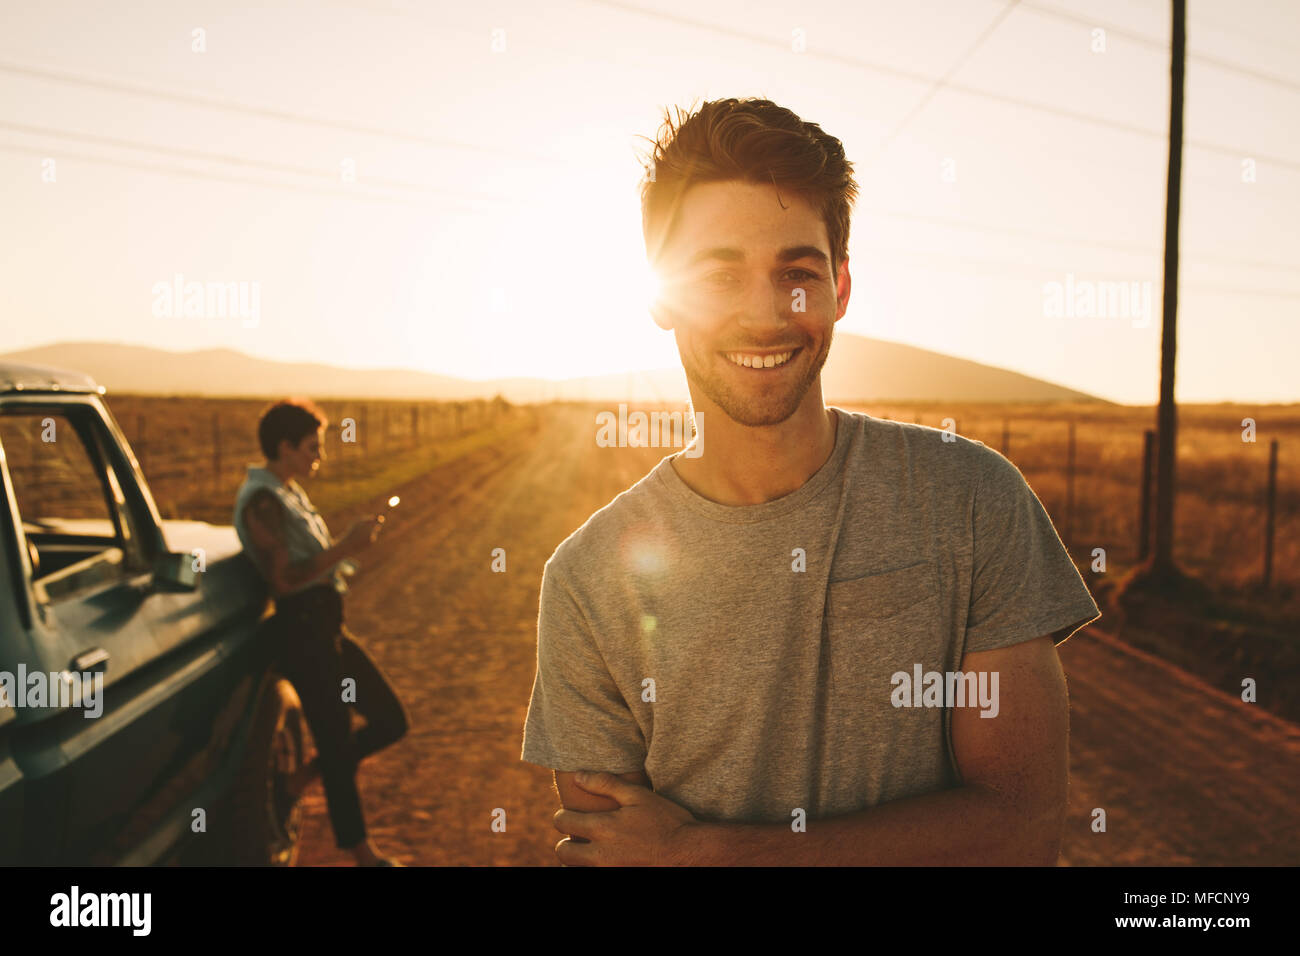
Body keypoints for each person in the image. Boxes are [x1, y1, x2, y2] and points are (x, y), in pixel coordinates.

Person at [520, 98, 1102, 865]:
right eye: (719, 274)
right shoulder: (585, 580)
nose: (764, 315)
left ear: (841, 288)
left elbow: (1018, 830)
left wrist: (707, 852)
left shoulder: (971, 500)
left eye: (796, 273)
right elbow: (616, 854)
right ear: (661, 295)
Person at [234, 398, 409, 867]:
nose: (320, 456)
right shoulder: (264, 501)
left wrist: (348, 547)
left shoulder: (287, 492)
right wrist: (347, 546)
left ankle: (296, 783)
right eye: (313, 447)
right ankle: (362, 853)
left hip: (326, 626)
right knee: (335, 741)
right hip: (302, 631)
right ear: (285, 446)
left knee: (391, 720)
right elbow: (284, 580)